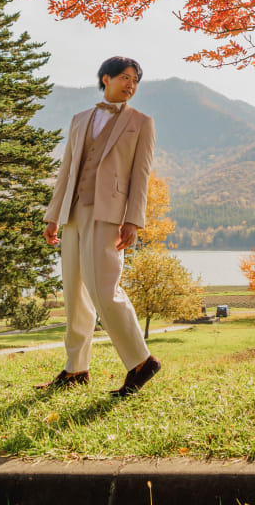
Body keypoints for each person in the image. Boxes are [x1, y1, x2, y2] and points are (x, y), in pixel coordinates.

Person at [40, 56, 161, 397]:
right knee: (75, 293)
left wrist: (133, 220)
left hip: (109, 214)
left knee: (104, 289)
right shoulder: (79, 120)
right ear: (105, 78)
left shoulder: (141, 122)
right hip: (74, 212)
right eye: (125, 77)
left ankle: (141, 361)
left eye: (135, 80)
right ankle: (75, 369)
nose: (131, 85)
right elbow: (66, 171)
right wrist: (53, 216)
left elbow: (141, 176)